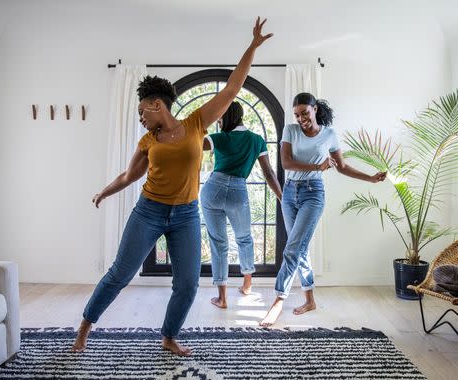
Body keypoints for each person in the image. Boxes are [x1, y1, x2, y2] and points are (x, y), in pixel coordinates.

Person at [71, 17, 273, 356]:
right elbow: (129, 176)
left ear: (157, 105)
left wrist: (251, 47)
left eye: (141, 111)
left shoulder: (196, 123)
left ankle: (168, 337)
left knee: (188, 284)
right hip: (149, 211)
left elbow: (231, 89)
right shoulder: (147, 141)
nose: (140, 117)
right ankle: (84, 328)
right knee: (120, 273)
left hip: (187, 215)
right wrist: (104, 192)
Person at [260, 92, 386, 326]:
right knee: (300, 248)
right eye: (297, 114)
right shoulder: (291, 130)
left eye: (305, 113)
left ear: (315, 109)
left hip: (313, 194)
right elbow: (286, 163)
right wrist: (317, 166)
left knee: (293, 248)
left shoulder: (329, 134)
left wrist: (370, 178)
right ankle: (310, 300)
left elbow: (342, 166)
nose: (301, 119)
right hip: (289, 193)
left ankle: (278, 300)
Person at [201, 101, 283, 309]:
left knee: (218, 242)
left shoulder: (219, 138)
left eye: (220, 117)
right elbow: (269, 173)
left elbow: (192, 144)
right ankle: (247, 283)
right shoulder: (256, 140)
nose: (218, 121)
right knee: (244, 237)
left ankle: (222, 297)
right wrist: (282, 197)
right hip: (238, 190)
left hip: (213, 188)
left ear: (227, 117)